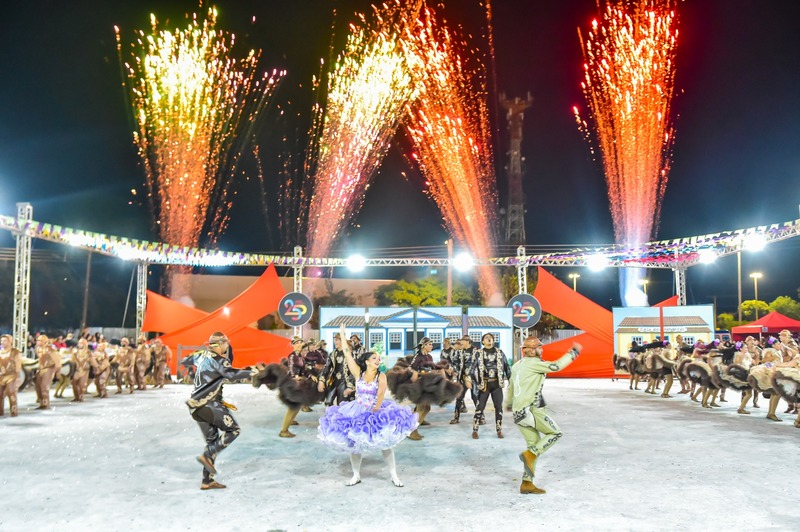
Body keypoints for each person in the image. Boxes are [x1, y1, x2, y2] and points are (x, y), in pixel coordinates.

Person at [318, 325, 417, 487]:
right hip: (358, 409)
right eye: (374, 358)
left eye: (378, 359)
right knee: (355, 445)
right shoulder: (358, 373)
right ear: (366, 361)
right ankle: (356, 474)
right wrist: (343, 336)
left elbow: (381, 393)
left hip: (376, 410)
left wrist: (376, 408)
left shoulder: (381, 375)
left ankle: (394, 475)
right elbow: (348, 354)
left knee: (386, 444)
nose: (378, 360)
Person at [184, 332, 262, 490]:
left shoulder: (202, 356)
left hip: (195, 407)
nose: (227, 346)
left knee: (212, 442)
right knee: (234, 430)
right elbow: (232, 374)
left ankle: (207, 481)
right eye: (226, 343)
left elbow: (187, 361)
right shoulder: (218, 360)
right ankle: (206, 456)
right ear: (219, 344)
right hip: (208, 404)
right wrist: (253, 371)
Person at [505, 336, 582, 495]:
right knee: (555, 433)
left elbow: (511, 387)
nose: (542, 349)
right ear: (532, 350)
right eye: (540, 347)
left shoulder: (517, 366)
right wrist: (573, 353)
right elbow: (556, 366)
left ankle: (527, 483)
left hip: (518, 412)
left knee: (533, 444)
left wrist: (508, 403)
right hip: (531, 410)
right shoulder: (535, 364)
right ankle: (530, 455)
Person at [466, 333, 511, 439]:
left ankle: (499, 430)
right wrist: (468, 379)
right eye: (486, 338)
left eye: (491, 338)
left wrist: (511, 380)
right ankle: (475, 430)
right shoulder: (478, 353)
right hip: (484, 385)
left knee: (499, 408)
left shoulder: (500, 352)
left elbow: (506, 367)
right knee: (480, 407)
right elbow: (472, 367)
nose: (489, 339)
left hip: (497, 384)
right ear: (482, 342)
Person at [318, 334, 355, 406]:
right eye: (335, 340)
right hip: (334, 381)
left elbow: (353, 371)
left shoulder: (349, 354)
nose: (335, 342)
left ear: (342, 341)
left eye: (337, 340)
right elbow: (327, 367)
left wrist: (350, 386)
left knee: (342, 404)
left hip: (345, 382)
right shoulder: (333, 354)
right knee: (328, 402)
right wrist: (321, 380)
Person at [34, 335, 60, 410]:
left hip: (49, 368)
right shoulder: (38, 349)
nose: (38, 342)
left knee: (44, 386)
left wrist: (57, 373)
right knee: (38, 386)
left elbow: (57, 362)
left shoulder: (50, 350)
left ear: (45, 341)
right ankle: (41, 403)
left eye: (40, 340)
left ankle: (46, 404)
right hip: (41, 368)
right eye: (38, 340)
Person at [0, 334, 22, 417]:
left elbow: (18, 364)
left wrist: (18, 376)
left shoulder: (15, 352)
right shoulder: (0, 352)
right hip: (2, 376)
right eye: (1, 341)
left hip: (12, 375)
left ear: (10, 342)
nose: (2, 342)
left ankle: (13, 411)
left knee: (11, 392)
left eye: (5, 341)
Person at [70, 338, 93, 402]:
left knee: (82, 385)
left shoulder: (88, 352)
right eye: (79, 343)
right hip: (77, 370)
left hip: (85, 370)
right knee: (74, 383)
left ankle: (81, 397)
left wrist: (97, 367)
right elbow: (72, 360)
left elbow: (92, 361)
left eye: (81, 343)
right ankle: (76, 397)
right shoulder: (76, 351)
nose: (79, 344)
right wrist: (73, 354)